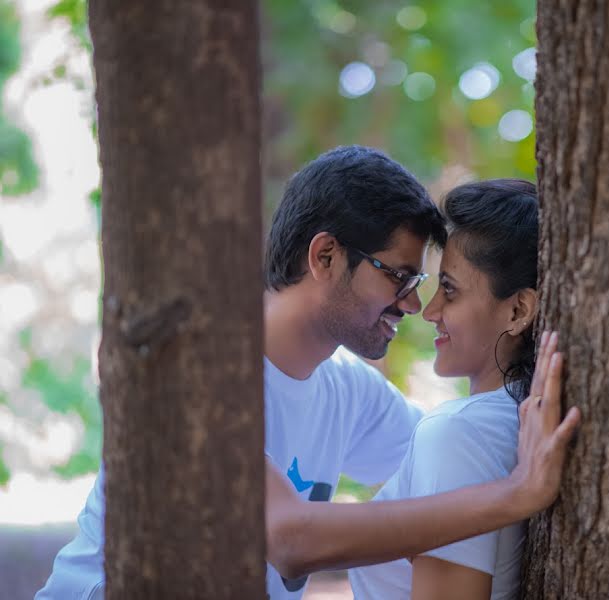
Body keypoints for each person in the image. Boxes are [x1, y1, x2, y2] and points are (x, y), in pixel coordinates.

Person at [37, 147, 580, 600]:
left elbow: (452, 463)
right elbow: (291, 539)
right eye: (400, 278)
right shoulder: (199, 375)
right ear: (324, 256)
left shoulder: (350, 391)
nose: (415, 306)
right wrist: (518, 493)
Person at [349, 179, 542, 599]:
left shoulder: (458, 434)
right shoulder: (514, 421)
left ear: (518, 310)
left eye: (449, 290)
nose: (429, 310)